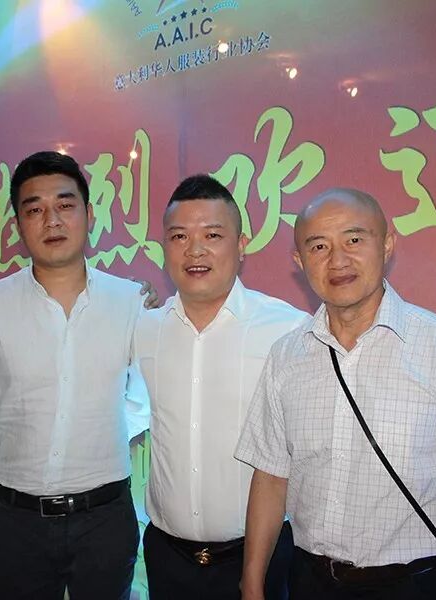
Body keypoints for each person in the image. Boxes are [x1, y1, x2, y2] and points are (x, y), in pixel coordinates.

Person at [236, 188, 436, 600]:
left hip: (417, 583)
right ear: (300, 261)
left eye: (354, 240)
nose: (337, 260)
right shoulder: (287, 355)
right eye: (318, 246)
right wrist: (252, 582)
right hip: (310, 581)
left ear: (388, 244)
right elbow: (270, 478)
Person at [0, 151, 155, 600]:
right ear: (18, 225)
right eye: (35, 209)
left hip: (106, 518)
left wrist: (96, 429)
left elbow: (145, 400)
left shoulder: (130, 301)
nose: (52, 221)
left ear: (89, 214)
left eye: (65, 205)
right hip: (17, 520)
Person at [134, 175, 307, 599]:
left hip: (262, 555)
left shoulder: (288, 329)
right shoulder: (143, 328)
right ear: (163, 247)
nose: (195, 250)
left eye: (212, 235)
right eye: (179, 236)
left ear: (241, 244)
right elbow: (121, 411)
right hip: (167, 556)